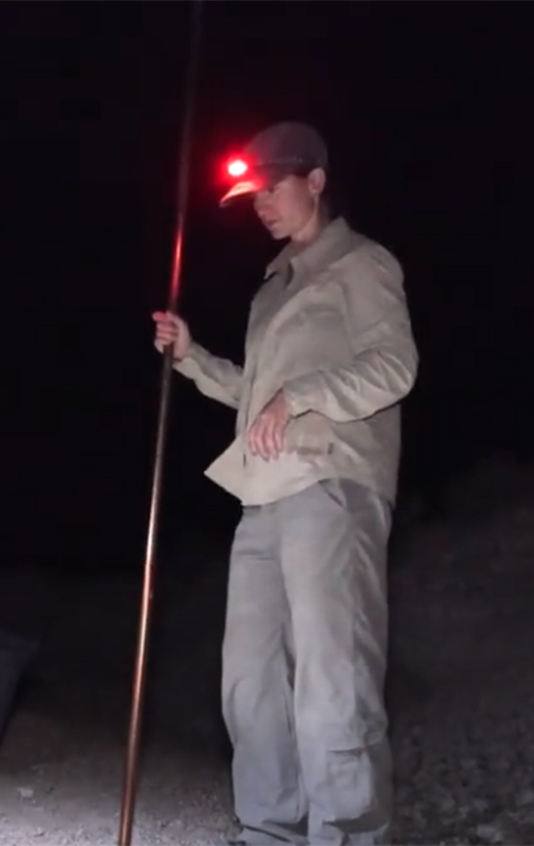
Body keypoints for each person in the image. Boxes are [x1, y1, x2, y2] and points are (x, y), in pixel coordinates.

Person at [153, 122, 419, 845]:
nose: (260, 204)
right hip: (262, 495)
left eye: (272, 188)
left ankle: (349, 834)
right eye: (252, 195)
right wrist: (191, 357)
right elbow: (255, 403)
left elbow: (395, 366)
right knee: (250, 682)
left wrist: (300, 394)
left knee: (332, 679)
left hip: (332, 483)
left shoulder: (362, 264)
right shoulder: (272, 289)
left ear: (316, 182)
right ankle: (270, 831)